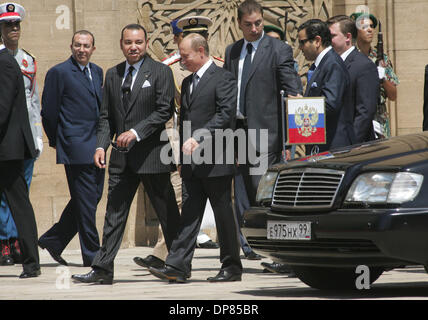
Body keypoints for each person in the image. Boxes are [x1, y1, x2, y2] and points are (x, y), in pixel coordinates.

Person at [72, 24, 180, 285]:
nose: (134, 47)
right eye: (129, 42)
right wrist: (100, 146)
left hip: (153, 155)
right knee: (114, 215)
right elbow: (106, 116)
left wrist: (135, 132)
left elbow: (164, 110)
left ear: (145, 43)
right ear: (121, 44)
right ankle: (102, 269)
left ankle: (178, 265)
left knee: (168, 215)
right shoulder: (112, 74)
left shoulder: (161, 72)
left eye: (139, 42)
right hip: (122, 159)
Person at [149, 33, 241, 283]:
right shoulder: (188, 82)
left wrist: (199, 138)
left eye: (185, 55)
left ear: (201, 51)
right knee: (189, 214)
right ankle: (178, 266)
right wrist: (180, 155)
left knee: (223, 216)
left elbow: (225, 116)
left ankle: (231, 266)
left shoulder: (223, 78)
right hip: (191, 162)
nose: (182, 61)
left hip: (216, 160)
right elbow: (184, 123)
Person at [133, 18, 219, 272]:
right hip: (181, 141)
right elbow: (167, 113)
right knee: (179, 195)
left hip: (214, 141)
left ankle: (230, 255)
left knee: (217, 200)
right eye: (187, 36)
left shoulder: (219, 67)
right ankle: (168, 254)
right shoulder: (168, 68)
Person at [223, 0, 302, 260]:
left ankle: (275, 247)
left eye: (258, 23)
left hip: (266, 131)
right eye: (248, 25)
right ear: (239, 24)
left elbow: (291, 85)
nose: (255, 28)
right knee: (242, 189)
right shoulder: (232, 51)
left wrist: (298, 108)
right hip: (237, 130)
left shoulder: (278, 48)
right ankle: (249, 246)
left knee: (262, 188)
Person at [38, 30, 105, 267]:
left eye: (86, 46)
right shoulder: (59, 72)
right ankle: (93, 256)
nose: (82, 49)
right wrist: (60, 141)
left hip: (97, 146)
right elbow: (49, 112)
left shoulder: (97, 72)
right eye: (78, 45)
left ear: (93, 49)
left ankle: (54, 240)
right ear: (71, 46)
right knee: (86, 203)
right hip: (75, 147)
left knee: (89, 198)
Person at [0, 2, 42, 266]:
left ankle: (18, 243)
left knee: (18, 194)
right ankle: (6, 241)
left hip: (22, 137)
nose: (14, 29)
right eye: (8, 25)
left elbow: (33, 101)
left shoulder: (28, 59)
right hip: (7, 138)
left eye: (17, 24)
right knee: (8, 198)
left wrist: (37, 135)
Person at [297, 19, 355, 153]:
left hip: (334, 146)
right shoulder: (322, 64)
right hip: (321, 144)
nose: (300, 48)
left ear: (317, 41)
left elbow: (330, 104)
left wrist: (300, 105)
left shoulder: (332, 64)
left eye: (302, 42)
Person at [327, 15, 379, 143]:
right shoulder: (330, 64)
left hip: (352, 147)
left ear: (348, 37)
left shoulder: (363, 65)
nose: (328, 41)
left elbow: (365, 112)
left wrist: (350, 143)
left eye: (332, 36)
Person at [350, 12, 399, 139]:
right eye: (364, 27)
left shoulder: (382, 58)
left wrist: (382, 79)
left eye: (371, 26)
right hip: (357, 118)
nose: (370, 30)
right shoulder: (350, 58)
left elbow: (393, 95)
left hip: (380, 119)